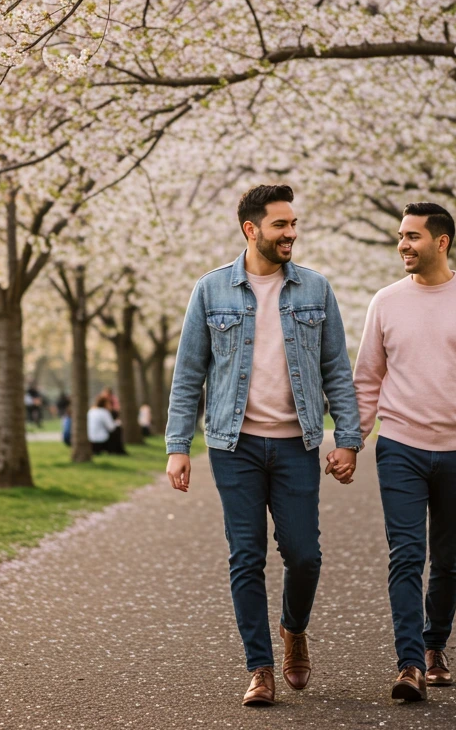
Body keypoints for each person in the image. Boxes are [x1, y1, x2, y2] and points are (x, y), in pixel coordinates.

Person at [164, 184, 363, 707]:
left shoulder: (316, 289)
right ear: (251, 230)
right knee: (245, 556)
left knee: (305, 556)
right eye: (281, 225)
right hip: (236, 447)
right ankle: (260, 667)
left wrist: (349, 439)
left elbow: (337, 372)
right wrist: (177, 444)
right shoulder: (211, 291)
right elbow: (189, 375)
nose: (291, 233)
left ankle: (293, 629)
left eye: (294, 224)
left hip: (297, 444)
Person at [351, 202, 456, 702]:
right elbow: (367, 379)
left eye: (412, 236)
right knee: (406, 556)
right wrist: (353, 441)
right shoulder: (386, 301)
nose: (403, 244)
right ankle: (409, 664)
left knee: (447, 559)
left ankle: (435, 645)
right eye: (401, 236)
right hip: (399, 445)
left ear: (441, 242)